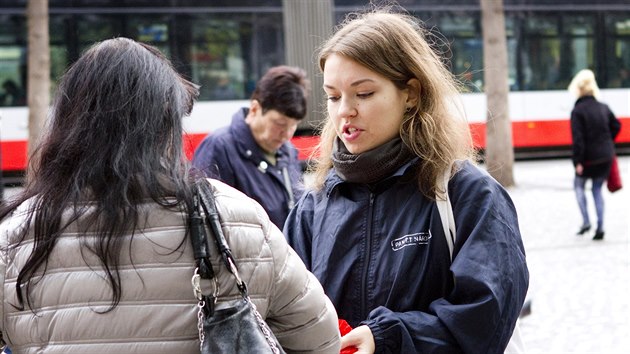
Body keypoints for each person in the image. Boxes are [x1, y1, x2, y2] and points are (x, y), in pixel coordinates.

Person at [0, 38, 340, 353]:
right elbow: (321, 340)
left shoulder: (14, 237)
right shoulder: (238, 220)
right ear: (168, 122)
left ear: (66, 121)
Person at [283, 10, 529, 353]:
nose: (344, 111)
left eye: (363, 94)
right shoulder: (312, 207)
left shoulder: (468, 194)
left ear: (411, 93)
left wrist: (387, 338)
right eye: (334, 96)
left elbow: (485, 319)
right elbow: (285, 315)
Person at [192, 66, 308, 229]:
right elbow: (205, 219)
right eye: (280, 124)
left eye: (294, 126)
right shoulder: (219, 148)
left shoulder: (287, 152)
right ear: (255, 109)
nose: (287, 134)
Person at [568, 69, 621, 240]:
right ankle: (600, 227)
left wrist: (578, 162)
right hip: (606, 156)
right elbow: (617, 126)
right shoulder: (603, 107)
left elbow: (578, 140)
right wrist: (607, 141)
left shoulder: (578, 111)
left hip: (588, 159)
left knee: (578, 186)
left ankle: (586, 222)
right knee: (597, 190)